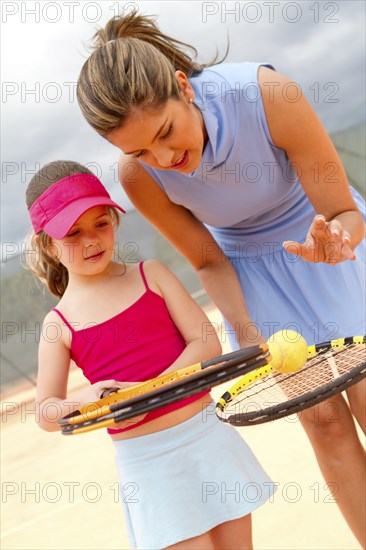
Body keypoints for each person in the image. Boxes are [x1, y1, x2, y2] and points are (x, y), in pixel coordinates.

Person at [75, 10, 366, 547]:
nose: (165, 159)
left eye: (165, 132)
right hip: (248, 275)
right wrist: (246, 331)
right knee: (324, 425)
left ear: (183, 87)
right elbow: (209, 260)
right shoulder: (140, 178)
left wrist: (336, 243)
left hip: (325, 242)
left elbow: (346, 214)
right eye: (139, 150)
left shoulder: (267, 95)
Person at [26, 160, 276, 550]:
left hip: (207, 438)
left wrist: (145, 390)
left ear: (115, 221)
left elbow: (206, 343)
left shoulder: (152, 273)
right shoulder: (59, 323)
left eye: (101, 224)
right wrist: (91, 399)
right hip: (149, 465)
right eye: (73, 233)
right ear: (47, 244)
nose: (91, 240)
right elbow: (46, 413)